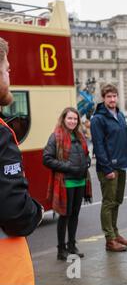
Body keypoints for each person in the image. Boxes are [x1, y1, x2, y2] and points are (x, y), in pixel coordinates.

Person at [0, 37, 44, 285]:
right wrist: (35, 212)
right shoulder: (1, 134)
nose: (10, 77)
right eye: (6, 70)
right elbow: (14, 211)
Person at [43, 107, 92, 260]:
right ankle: (60, 249)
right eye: (69, 118)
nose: (72, 121)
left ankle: (72, 245)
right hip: (66, 182)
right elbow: (47, 158)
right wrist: (68, 167)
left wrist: (87, 162)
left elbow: (86, 154)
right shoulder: (56, 136)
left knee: (75, 215)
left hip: (80, 181)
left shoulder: (80, 135)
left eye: (75, 119)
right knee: (64, 216)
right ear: (64, 119)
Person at [91, 84, 127, 252]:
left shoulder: (120, 115)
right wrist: (107, 168)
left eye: (114, 96)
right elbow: (98, 145)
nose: (112, 99)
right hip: (108, 168)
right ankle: (109, 239)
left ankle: (116, 234)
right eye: (109, 96)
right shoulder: (98, 119)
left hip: (122, 165)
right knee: (109, 203)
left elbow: (125, 139)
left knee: (117, 201)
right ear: (104, 98)